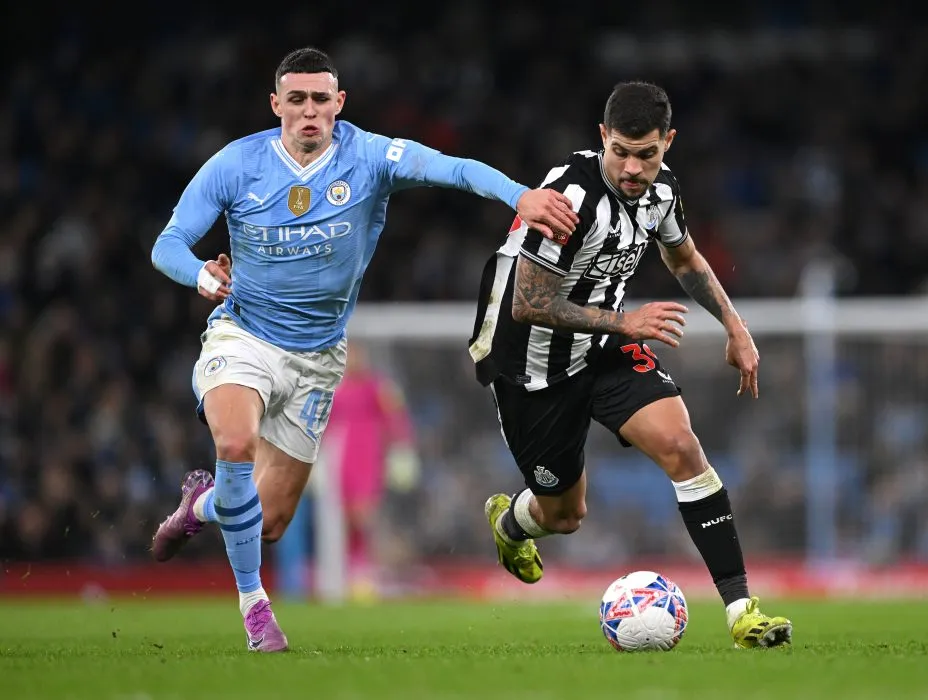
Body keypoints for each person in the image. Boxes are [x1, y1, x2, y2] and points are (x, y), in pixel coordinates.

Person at [149, 47, 578, 653]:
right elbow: (167, 244)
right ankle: (255, 611)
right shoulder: (236, 164)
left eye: (319, 100)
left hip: (318, 358)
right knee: (235, 443)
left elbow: (453, 168)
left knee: (268, 520)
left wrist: (520, 196)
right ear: (276, 105)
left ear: (338, 104)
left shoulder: (371, 156)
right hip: (242, 334)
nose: (308, 112)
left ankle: (201, 505)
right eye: (295, 100)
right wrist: (203, 278)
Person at [468, 81, 792, 649]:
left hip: (603, 345)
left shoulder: (661, 192)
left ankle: (742, 612)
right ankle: (510, 523)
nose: (633, 168)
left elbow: (684, 257)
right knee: (565, 515)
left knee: (683, 448)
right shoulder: (566, 198)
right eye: (621, 151)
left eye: (647, 154)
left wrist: (736, 328)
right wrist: (627, 322)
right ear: (602, 139)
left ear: (668, 142)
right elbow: (529, 303)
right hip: (532, 365)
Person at [320, 341, 419, 600]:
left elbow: (396, 419)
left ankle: (366, 573)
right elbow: (324, 425)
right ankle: (352, 573)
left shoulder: (377, 386)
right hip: (341, 460)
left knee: (365, 517)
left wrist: (402, 450)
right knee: (347, 520)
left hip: (368, 458)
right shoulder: (336, 389)